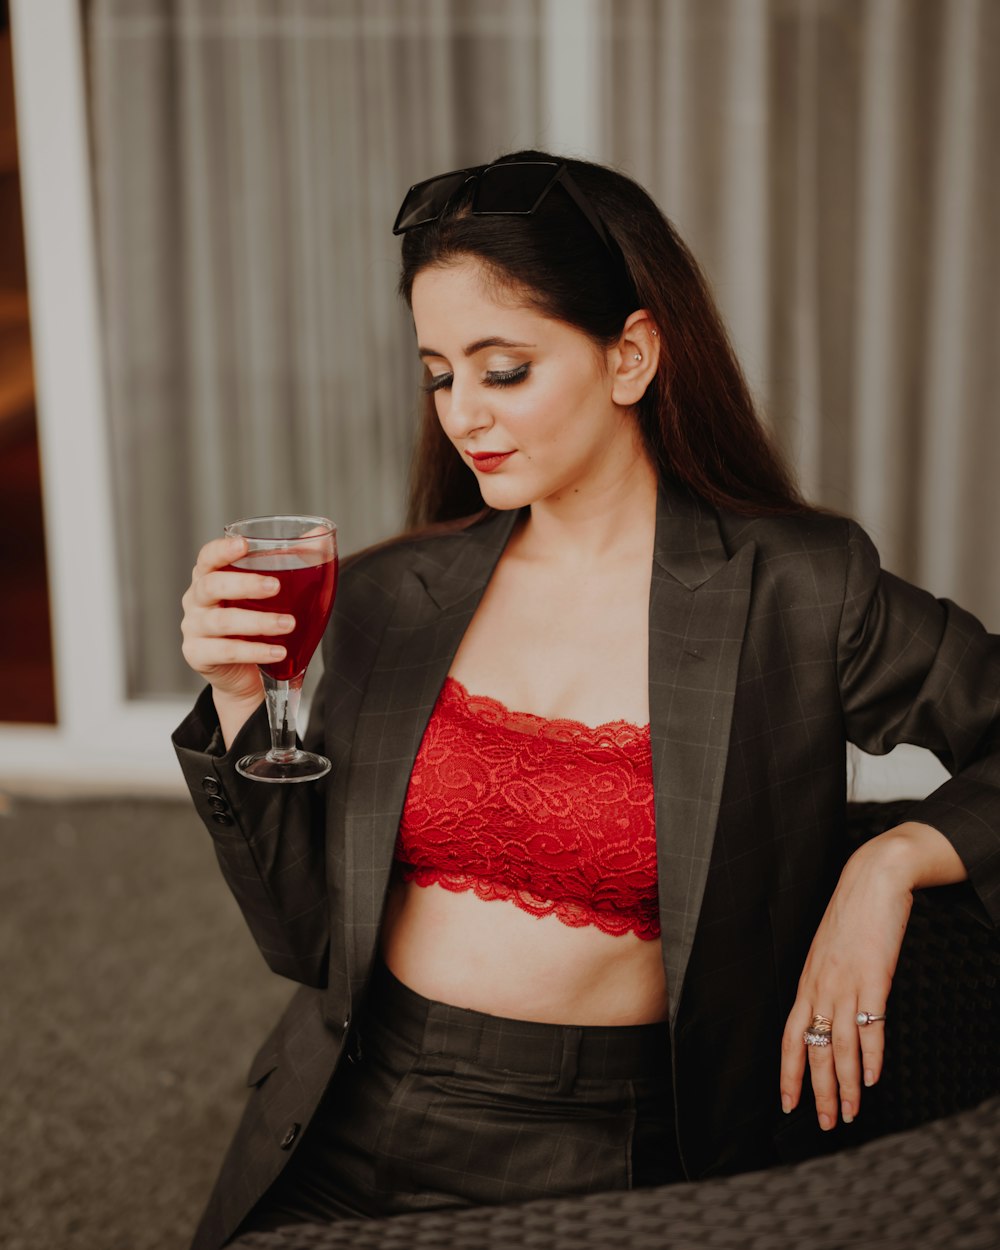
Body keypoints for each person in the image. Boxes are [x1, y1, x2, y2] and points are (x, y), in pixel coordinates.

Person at [174, 152, 1000, 1250]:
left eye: (502, 368)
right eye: (437, 373)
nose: (462, 413)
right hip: (350, 1110)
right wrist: (240, 704)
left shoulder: (795, 588)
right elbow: (305, 941)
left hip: (614, 1151)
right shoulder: (389, 595)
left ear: (630, 355)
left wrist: (887, 861)